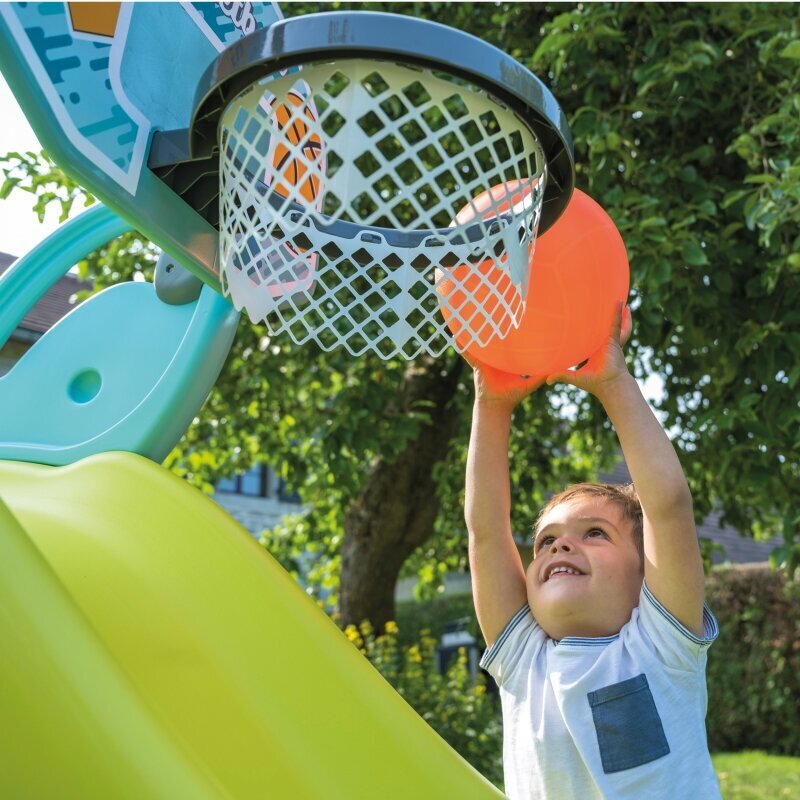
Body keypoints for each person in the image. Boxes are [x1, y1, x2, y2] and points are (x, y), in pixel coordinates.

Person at [465, 303, 722, 799]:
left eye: (595, 533)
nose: (562, 542)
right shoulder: (524, 662)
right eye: (546, 540)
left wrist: (611, 382)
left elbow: (667, 506)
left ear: (646, 571)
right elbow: (486, 531)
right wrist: (490, 404)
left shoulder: (660, 647)